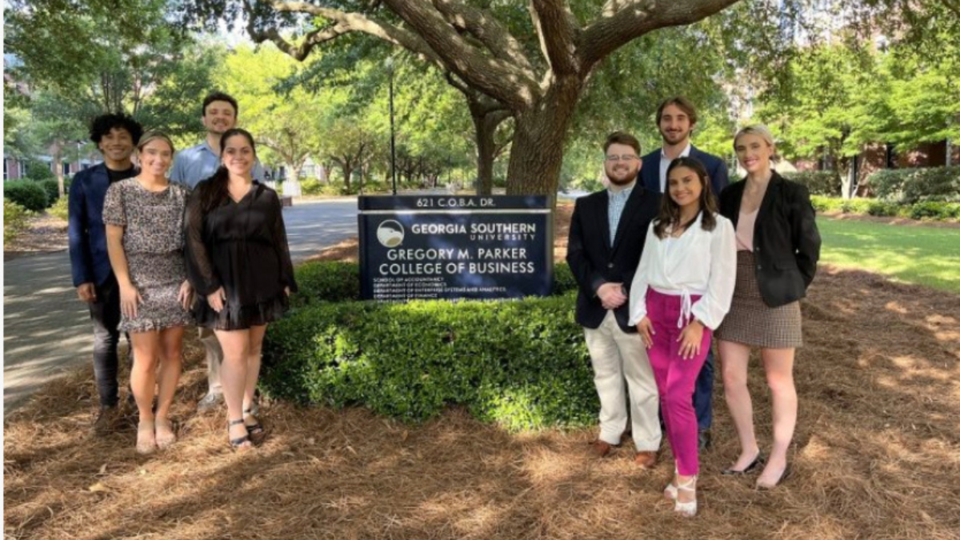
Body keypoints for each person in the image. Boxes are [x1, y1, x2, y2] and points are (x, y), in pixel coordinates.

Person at [628, 157, 736, 516]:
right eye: (673, 183)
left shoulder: (719, 227)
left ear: (703, 182)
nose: (680, 189)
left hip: (691, 314)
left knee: (677, 396)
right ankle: (679, 469)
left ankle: (687, 479)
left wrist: (701, 322)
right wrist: (638, 312)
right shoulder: (658, 225)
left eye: (687, 181)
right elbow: (643, 269)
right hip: (655, 314)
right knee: (665, 395)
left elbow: (722, 280)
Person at [716, 125, 821, 489]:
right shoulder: (727, 194)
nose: (748, 153)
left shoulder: (792, 192)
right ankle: (749, 450)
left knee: (778, 381)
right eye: (741, 148)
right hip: (733, 291)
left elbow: (809, 249)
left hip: (777, 294)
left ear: (770, 148)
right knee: (731, 377)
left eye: (755, 145)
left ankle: (779, 457)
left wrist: (791, 286)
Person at [184, 128, 297, 450]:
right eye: (231, 151)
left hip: (262, 280)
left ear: (253, 154)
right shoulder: (205, 192)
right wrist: (208, 285)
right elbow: (193, 240)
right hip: (224, 283)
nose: (238, 156)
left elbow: (278, 240)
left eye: (244, 150)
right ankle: (234, 420)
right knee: (233, 355)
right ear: (222, 157)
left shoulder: (267, 196)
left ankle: (247, 409)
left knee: (252, 350)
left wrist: (284, 279)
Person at [639, 96, 731, 451]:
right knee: (659, 356)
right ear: (659, 123)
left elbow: (717, 221)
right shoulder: (644, 165)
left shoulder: (713, 164)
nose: (673, 124)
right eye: (666, 118)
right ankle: (665, 421)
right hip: (655, 266)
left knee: (698, 356)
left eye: (680, 118)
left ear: (691, 123)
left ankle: (700, 423)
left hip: (696, 283)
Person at [567, 132, 662, 468]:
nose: (619, 163)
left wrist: (624, 290)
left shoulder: (659, 203)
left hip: (635, 309)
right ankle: (610, 432)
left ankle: (648, 441)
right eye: (613, 157)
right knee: (604, 374)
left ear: (638, 162)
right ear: (605, 164)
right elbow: (575, 254)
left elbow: (659, 257)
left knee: (642, 379)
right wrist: (599, 287)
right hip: (595, 307)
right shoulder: (586, 204)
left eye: (626, 157)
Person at [170, 91, 266, 413]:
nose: (220, 117)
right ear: (204, 118)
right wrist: (189, 273)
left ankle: (243, 397)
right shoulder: (185, 160)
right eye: (214, 112)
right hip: (204, 262)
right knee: (211, 331)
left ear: (234, 119)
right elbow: (180, 219)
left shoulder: (251, 159)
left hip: (244, 265)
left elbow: (263, 215)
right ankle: (217, 389)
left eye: (226, 113)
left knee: (247, 331)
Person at [102, 132, 193, 454]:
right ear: (140, 155)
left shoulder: (182, 194)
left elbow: (195, 240)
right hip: (138, 285)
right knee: (144, 356)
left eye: (165, 153)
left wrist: (191, 279)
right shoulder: (120, 192)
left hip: (175, 280)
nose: (158, 159)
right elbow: (114, 241)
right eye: (152, 152)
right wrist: (125, 285)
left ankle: (162, 417)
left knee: (171, 352)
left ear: (172, 158)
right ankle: (144, 419)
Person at [68, 113, 143, 435]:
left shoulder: (144, 177)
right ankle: (107, 406)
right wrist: (81, 276)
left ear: (133, 142)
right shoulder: (85, 181)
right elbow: (76, 231)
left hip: (141, 272)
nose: (116, 142)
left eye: (123, 136)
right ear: (100, 143)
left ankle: (138, 401)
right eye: (109, 137)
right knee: (105, 338)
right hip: (100, 272)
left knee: (139, 339)